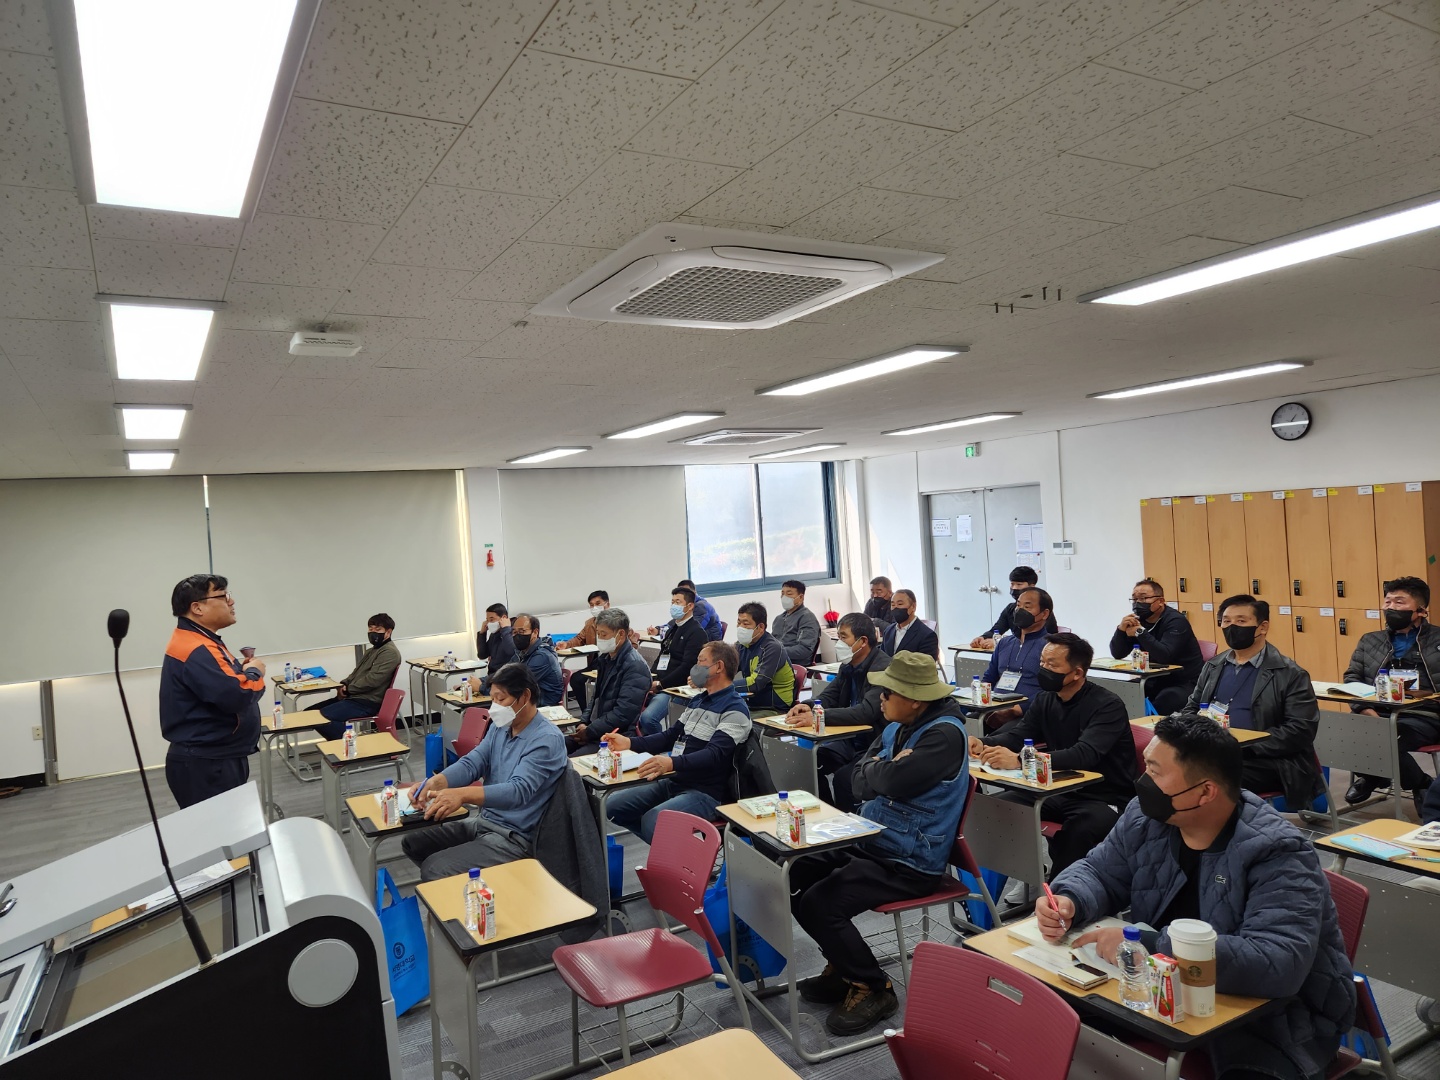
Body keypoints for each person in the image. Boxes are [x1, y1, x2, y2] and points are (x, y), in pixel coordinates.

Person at [1039, 715, 1355, 1080]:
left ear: (1205, 792)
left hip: (1271, 1020)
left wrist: (1150, 946)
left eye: (1155, 772)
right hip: (1159, 990)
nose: (1143, 781)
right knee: (1045, 1014)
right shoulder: (1146, 817)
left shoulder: (1278, 851)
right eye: (1147, 766)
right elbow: (1099, 870)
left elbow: (1276, 962)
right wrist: (1070, 899)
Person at [790, 652, 970, 1035]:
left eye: (887, 692)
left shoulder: (943, 735)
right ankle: (844, 965)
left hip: (910, 860)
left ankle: (873, 987)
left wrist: (882, 772)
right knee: (793, 873)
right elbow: (856, 776)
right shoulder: (898, 726)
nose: (880, 698)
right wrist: (884, 768)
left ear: (915, 699)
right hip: (875, 839)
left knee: (820, 903)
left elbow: (887, 780)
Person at [973, 632, 1136, 879]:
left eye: (1052, 665)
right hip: (1056, 789)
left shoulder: (1107, 705)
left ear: (1077, 673)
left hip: (1103, 797)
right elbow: (1019, 735)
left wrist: (1020, 761)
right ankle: (1029, 874)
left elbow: (1084, 754)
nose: (1043, 669)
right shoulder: (1045, 698)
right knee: (998, 808)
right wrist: (981, 743)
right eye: (1042, 662)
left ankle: (1061, 894)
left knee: (1077, 832)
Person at [401, 662, 568, 881]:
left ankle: (472, 892)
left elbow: (518, 791)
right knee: (413, 844)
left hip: (516, 837)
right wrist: (435, 782)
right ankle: (467, 888)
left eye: (501, 699)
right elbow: (473, 762)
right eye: (493, 699)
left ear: (525, 696)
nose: (494, 707)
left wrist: (462, 795)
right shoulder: (501, 727)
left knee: (435, 868)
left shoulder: (546, 739)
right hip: (486, 823)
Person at [1181, 595, 1325, 814]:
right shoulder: (1213, 666)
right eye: (1226, 621)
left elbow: (1300, 730)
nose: (1232, 627)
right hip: (1215, 751)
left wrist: (1244, 746)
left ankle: (1221, 831)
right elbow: (1192, 708)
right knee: (1169, 769)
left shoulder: (1290, 673)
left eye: (1241, 621)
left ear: (1262, 627)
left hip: (1272, 761)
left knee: (1212, 779)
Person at [604, 641, 752, 842]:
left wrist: (671, 763)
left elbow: (714, 754)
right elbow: (670, 736)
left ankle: (687, 859)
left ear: (719, 667)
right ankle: (675, 851)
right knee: (612, 806)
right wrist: (629, 743)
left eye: (701, 661)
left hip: (705, 792)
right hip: (675, 780)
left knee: (654, 822)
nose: (695, 667)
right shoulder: (698, 700)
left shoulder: (735, 709)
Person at [159, 574, 267, 808]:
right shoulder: (196, 648)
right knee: (221, 828)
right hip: (208, 764)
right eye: (223, 596)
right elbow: (238, 694)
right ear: (197, 608)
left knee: (227, 826)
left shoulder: (200, 640)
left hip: (215, 758)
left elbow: (224, 685)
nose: (231, 601)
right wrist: (255, 672)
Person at [1341, 575, 1440, 816]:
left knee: (1385, 738)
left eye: (1399, 602)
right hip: (1375, 711)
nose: (1391, 607)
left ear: (1420, 611)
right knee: (1339, 734)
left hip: (1424, 715)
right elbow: (1352, 679)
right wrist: (1366, 710)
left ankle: (1376, 777)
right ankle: (1416, 782)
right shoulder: (1370, 640)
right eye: (1388, 602)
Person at [784, 612, 891, 810]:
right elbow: (830, 696)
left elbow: (866, 712)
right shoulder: (848, 666)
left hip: (875, 742)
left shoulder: (881, 669)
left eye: (843, 637)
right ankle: (826, 812)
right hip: (850, 740)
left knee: (844, 779)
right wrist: (808, 706)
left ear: (863, 641)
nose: (838, 643)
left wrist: (818, 716)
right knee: (808, 764)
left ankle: (848, 825)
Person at [1109, 577, 1204, 714]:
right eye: (1134, 599)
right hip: (1153, 678)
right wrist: (1121, 630)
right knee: (1120, 694)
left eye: (1143, 598)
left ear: (1160, 601)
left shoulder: (1176, 621)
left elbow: (1164, 655)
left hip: (1184, 681)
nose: (1138, 603)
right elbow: (1118, 653)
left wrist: (1140, 632)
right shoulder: (1137, 621)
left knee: (1165, 700)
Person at [565, 607, 651, 753]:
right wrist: (584, 722)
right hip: (596, 730)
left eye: (603, 634)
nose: (599, 638)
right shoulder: (606, 658)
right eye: (598, 634)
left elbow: (623, 714)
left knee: (570, 762)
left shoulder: (635, 666)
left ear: (621, 634)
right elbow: (595, 698)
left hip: (615, 736)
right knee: (552, 748)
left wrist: (589, 731)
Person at [305, 613, 402, 738]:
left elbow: (373, 680)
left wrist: (349, 689)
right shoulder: (372, 650)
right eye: (370, 629)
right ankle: (346, 745)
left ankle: (352, 746)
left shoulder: (389, 652)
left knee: (324, 717)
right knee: (310, 714)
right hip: (355, 697)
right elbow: (356, 673)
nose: (373, 632)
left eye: (378, 630)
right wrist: (344, 684)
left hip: (367, 702)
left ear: (388, 632)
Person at [636, 586, 710, 735]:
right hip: (658, 683)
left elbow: (687, 667)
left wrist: (660, 684)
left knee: (648, 718)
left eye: (678, 602)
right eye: (672, 602)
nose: (673, 606)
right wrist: (651, 677)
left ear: (690, 606)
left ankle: (660, 744)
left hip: (675, 688)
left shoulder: (696, 633)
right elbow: (662, 656)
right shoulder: (673, 628)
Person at [978, 586, 1055, 725]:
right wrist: (981, 700)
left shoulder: (1051, 647)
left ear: (1044, 614)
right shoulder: (1004, 643)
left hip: (1028, 714)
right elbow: (989, 678)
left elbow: (1051, 691)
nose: (1020, 611)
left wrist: (1019, 709)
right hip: (993, 707)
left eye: (1027, 607)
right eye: (1018, 606)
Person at [473, 613, 562, 706]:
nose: (517, 636)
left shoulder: (542, 657)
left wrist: (481, 687)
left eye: (522, 631)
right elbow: (503, 673)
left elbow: (517, 685)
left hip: (542, 704)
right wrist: (480, 681)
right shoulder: (520, 652)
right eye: (514, 632)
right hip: (524, 699)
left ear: (535, 632)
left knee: (489, 707)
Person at [969, 566, 1057, 650]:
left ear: (1032, 586)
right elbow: (997, 629)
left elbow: (1044, 638)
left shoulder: (1041, 610)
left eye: (1019, 584)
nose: (1014, 588)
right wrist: (983, 638)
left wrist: (999, 641)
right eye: (1012, 584)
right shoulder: (1011, 609)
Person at [734, 601, 796, 715]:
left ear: (761, 627)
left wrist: (722, 687)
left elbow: (756, 683)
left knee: (737, 722)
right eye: (739, 623)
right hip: (752, 703)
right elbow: (727, 668)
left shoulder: (772, 648)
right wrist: (709, 680)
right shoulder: (741, 645)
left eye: (745, 624)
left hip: (773, 708)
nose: (740, 627)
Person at [560, 590, 609, 711]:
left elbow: (631, 641)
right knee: (576, 680)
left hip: (611, 662)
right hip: (596, 663)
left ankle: (597, 711)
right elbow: (579, 639)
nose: (594, 607)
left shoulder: (616, 621)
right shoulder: (590, 623)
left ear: (607, 604)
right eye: (591, 605)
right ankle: (587, 712)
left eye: (598, 603)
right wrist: (566, 644)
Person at [880, 589, 939, 661]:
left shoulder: (927, 635)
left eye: (900, 604)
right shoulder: (888, 631)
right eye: (893, 605)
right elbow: (882, 657)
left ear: (913, 606)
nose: (895, 608)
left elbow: (926, 665)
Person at [772, 579, 822, 664]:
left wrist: (777, 652)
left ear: (801, 597)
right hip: (776, 661)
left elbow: (804, 649)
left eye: (789, 594)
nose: (784, 597)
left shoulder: (807, 618)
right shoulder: (779, 619)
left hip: (795, 664)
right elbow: (772, 642)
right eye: (782, 594)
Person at [476, 602, 517, 671]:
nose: (489, 623)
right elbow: (482, 655)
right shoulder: (495, 634)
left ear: (504, 618)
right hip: (493, 673)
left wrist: (506, 629)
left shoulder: (513, 632)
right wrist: (482, 634)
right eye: (487, 620)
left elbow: (511, 651)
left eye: (492, 619)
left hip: (506, 674)